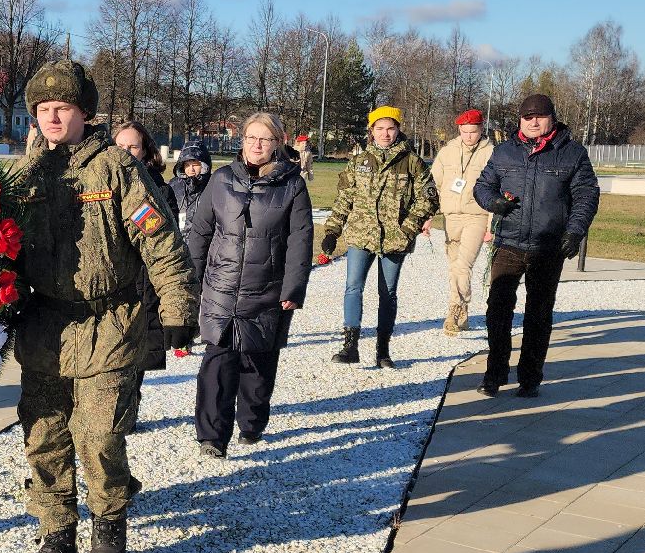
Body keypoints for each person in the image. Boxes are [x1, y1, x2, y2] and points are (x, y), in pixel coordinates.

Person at [12, 60, 197, 553]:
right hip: (44, 327)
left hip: (109, 325)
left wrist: (178, 309)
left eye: (62, 109)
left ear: (84, 113)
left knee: (99, 435)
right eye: (43, 110)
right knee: (43, 436)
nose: (52, 118)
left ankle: (109, 520)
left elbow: (158, 240)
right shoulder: (25, 175)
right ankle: (55, 534)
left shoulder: (116, 167)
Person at [184, 112, 312, 457]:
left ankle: (252, 423)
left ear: (278, 143)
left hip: (266, 289)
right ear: (242, 140)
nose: (257, 145)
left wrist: (293, 288)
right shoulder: (222, 179)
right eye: (251, 137)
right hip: (220, 287)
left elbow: (301, 238)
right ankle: (212, 435)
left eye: (265, 139)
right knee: (217, 360)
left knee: (257, 364)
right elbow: (201, 231)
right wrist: (189, 281)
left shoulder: (292, 185)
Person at [472, 94, 601, 396]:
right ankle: (495, 373)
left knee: (539, 315)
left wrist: (575, 230)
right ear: (520, 120)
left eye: (539, 116)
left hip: (548, 246)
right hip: (508, 243)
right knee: (498, 311)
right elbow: (482, 185)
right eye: (527, 116)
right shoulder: (505, 152)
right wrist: (493, 202)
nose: (533, 121)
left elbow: (586, 194)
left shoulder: (572, 153)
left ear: (552, 118)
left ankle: (530, 377)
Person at [317, 105, 438, 369]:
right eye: (380, 129)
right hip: (361, 235)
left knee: (388, 293)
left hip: (395, 240)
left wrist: (408, 228)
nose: (385, 134)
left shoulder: (413, 162)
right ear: (371, 131)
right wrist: (332, 230)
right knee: (353, 287)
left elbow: (428, 200)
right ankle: (350, 346)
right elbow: (345, 198)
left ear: (398, 130)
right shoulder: (359, 162)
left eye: (390, 128)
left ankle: (383, 349)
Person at [112, 119, 174, 370]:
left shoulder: (159, 191)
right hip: (109, 290)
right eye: (120, 146)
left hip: (143, 290)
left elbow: (166, 249)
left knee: (134, 370)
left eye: (133, 147)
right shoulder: (98, 186)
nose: (125, 153)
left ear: (146, 151)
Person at [429, 108, 495, 335]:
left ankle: (453, 310)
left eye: (473, 131)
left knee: (463, 264)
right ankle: (462, 312)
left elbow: (497, 190)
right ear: (459, 129)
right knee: (454, 266)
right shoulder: (448, 151)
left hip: (477, 215)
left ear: (481, 130)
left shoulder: (491, 153)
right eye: (464, 131)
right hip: (450, 216)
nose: (468, 136)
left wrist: (491, 225)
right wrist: (428, 216)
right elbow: (434, 184)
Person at [168, 142, 212, 221]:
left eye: (195, 165)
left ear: (204, 165)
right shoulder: (174, 185)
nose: (191, 169)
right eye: (187, 165)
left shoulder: (213, 185)